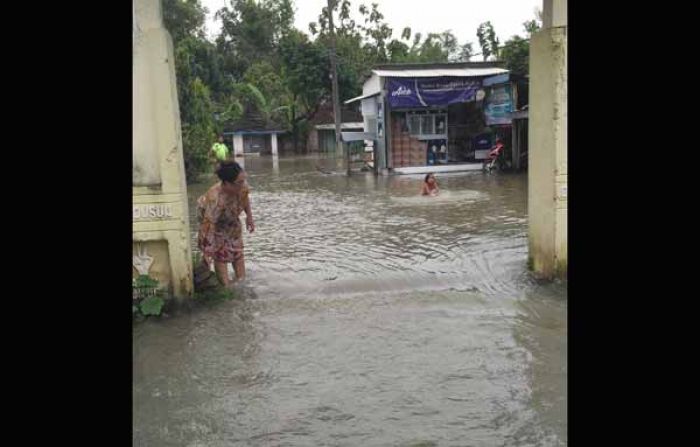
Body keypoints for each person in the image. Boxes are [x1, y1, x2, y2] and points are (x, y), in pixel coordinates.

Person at [196, 160, 255, 286]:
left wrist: (249, 217)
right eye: (239, 183)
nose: (243, 184)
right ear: (227, 183)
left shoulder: (241, 185)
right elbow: (208, 226)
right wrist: (207, 252)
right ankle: (226, 286)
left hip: (231, 218)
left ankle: (241, 282)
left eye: (243, 180)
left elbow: (245, 197)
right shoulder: (215, 199)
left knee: (237, 250)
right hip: (212, 222)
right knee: (220, 252)